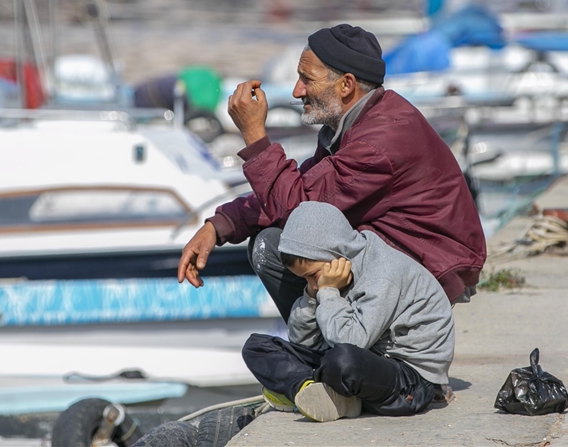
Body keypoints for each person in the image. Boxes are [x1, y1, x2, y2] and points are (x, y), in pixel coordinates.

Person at [177, 23, 486, 322]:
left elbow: (297, 212)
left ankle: (328, 352)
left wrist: (255, 136)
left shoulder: (377, 143)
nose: (298, 91)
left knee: (273, 245)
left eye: (306, 79)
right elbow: (302, 190)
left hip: (432, 269)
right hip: (409, 256)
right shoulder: (363, 119)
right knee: (279, 238)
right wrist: (220, 225)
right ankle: (329, 348)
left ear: (346, 85)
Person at [241, 201, 455, 422]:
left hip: (410, 380)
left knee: (343, 361)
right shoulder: (334, 271)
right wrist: (313, 298)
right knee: (256, 347)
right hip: (364, 355)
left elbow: (350, 341)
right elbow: (303, 343)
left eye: (312, 275)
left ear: (335, 253)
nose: (313, 285)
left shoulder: (383, 274)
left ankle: (313, 388)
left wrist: (329, 292)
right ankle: (308, 388)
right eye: (305, 279)